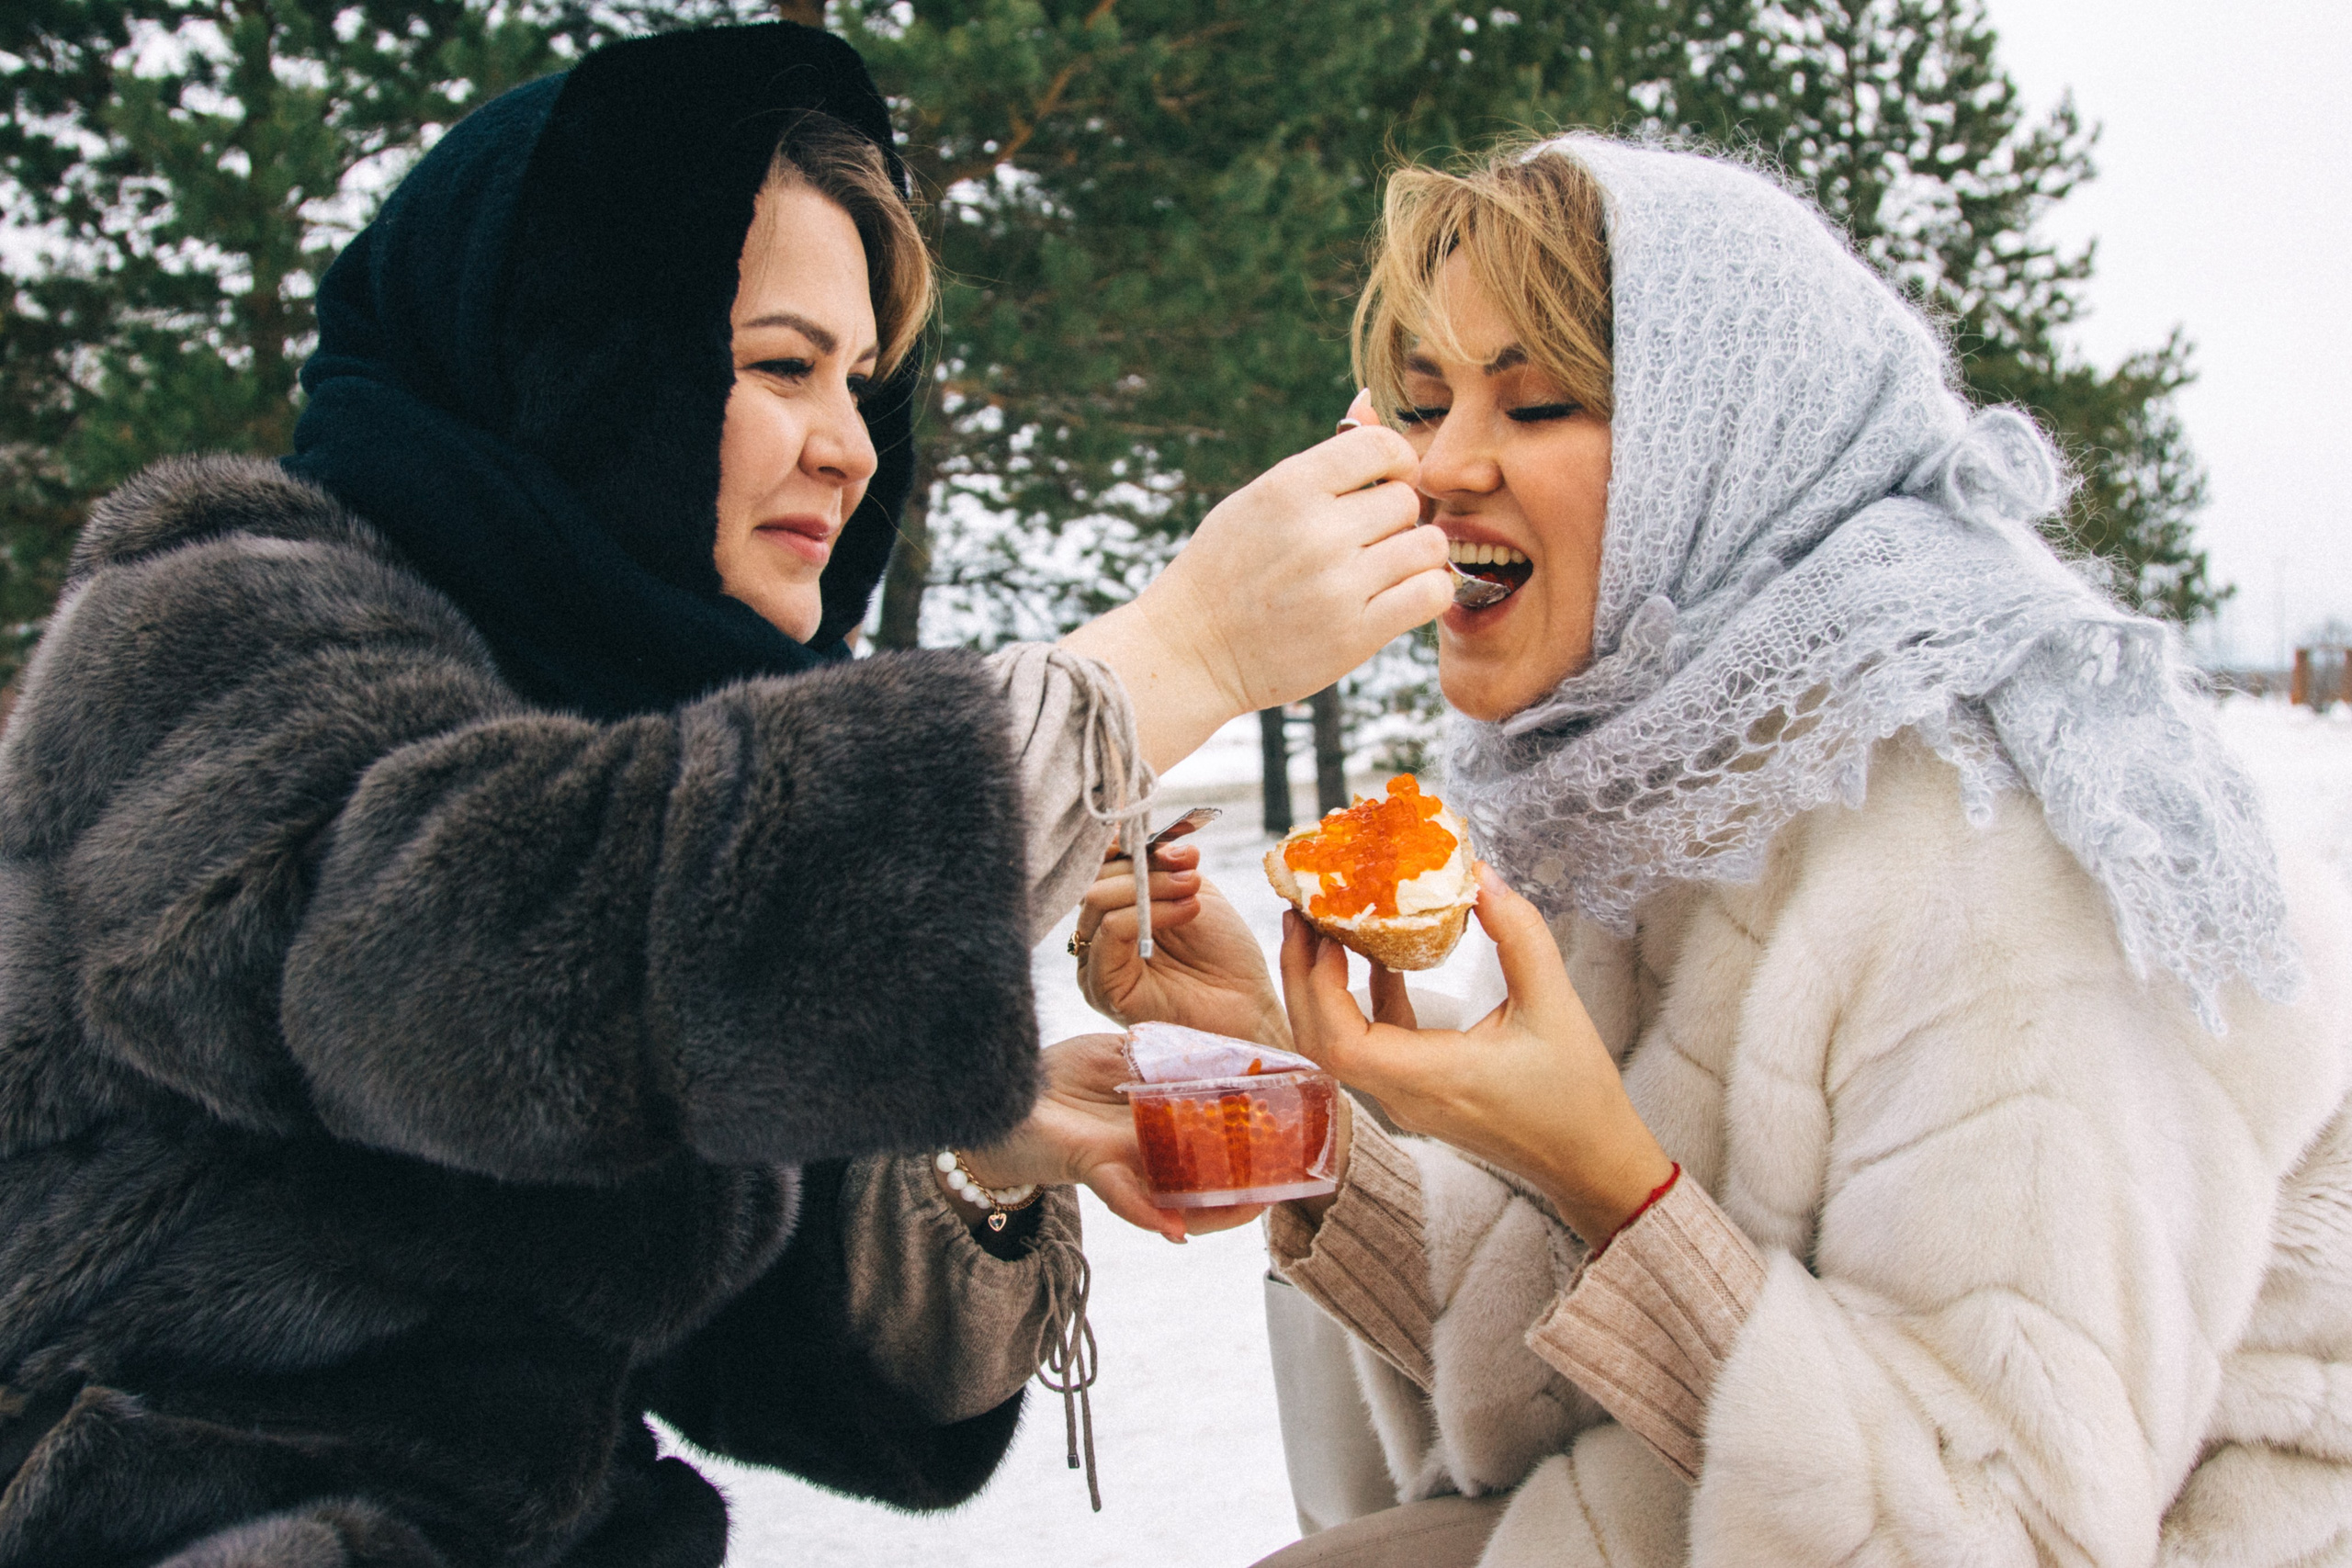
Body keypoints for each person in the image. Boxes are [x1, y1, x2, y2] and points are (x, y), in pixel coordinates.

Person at [0, 23, 1450, 1566]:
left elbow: (814, 1364)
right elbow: (476, 961)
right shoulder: (216, 621)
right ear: (578, 354)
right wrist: (1173, 657)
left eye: (860, 382)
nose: (846, 447)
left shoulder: (592, 728)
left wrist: (980, 1146)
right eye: (776, 365)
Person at [1078, 137, 2352, 1567]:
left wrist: (1613, 1182)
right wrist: (1283, 1073)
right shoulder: (1674, 786)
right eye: (1423, 403)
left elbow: (2011, 1528)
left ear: (1727, 448)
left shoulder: (1987, 848)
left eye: (1537, 399)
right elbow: (1548, 1376)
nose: (1439, 468)